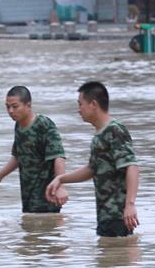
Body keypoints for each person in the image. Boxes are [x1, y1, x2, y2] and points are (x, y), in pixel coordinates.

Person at [46, 81, 139, 237]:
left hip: (118, 215)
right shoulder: (99, 135)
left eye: (80, 104)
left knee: (119, 256)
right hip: (104, 215)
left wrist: (130, 205)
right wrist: (61, 179)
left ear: (93, 104)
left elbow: (132, 167)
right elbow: (91, 169)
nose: (78, 110)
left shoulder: (115, 130)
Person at [0, 86, 67, 213]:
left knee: (49, 229)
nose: (10, 111)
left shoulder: (43, 124)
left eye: (15, 106)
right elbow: (18, 156)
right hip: (28, 195)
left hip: (47, 195)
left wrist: (60, 186)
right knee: (30, 228)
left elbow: (58, 156)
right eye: (7, 107)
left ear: (28, 105)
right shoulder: (18, 126)